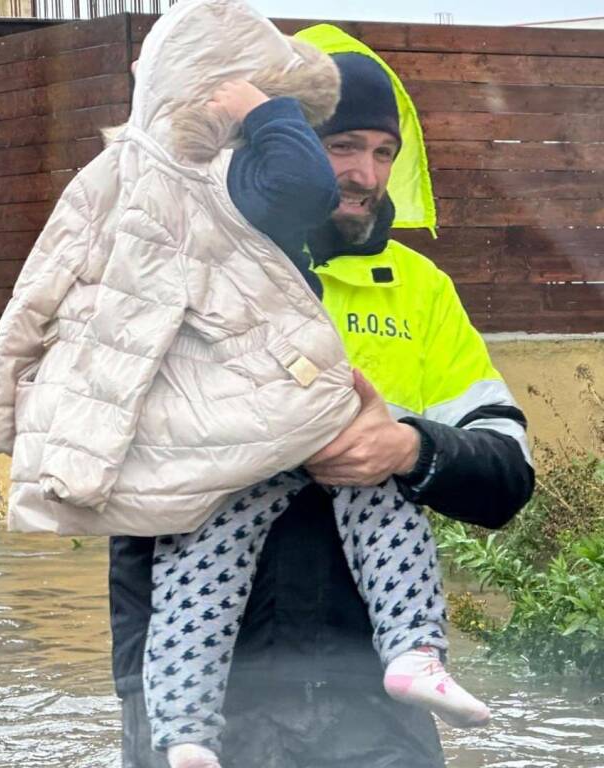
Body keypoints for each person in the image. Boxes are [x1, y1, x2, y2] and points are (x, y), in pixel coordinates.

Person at [110, 22, 535, 768]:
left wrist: (411, 446)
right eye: (342, 147)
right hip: (209, 701)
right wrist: (139, 692)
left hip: (372, 704)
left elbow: (507, 472)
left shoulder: (422, 291)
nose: (365, 174)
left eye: (382, 152)